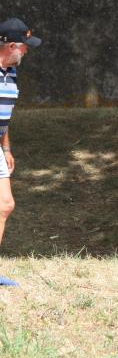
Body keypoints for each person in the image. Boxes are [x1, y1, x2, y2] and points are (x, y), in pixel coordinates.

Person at [0, 18, 41, 286]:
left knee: (5, 205)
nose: (26, 51)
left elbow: (4, 115)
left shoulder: (11, 73)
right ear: (11, 45)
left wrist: (6, 148)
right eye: (24, 47)